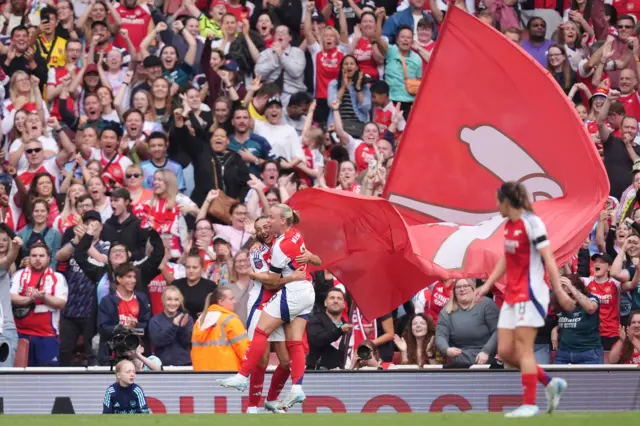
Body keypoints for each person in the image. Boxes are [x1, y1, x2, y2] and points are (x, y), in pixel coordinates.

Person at [475, 181, 571, 417]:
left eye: (498, 202)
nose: (496, 207)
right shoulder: (508, 226)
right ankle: (550, 383)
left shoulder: (532, 223)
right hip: (511, 295)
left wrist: (558, 290)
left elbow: (549, 258)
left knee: (523, 349)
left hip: (531, 294)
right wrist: (487, 284)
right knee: (506, 352)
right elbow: (506, 259)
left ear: (506, 202)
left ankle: (529, 404)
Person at [217, 204, 320, 409]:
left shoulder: (281, 243)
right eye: (261, 227)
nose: (265, 228)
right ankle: (253, 405)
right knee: (262, 359)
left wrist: (309, 257)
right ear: (257, 232)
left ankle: (271, 399)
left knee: (285, 361)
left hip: (285, 301)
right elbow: (269, 282)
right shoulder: (258, 252)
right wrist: (289, 277)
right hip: (263, 302)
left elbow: (316, 260)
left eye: (268, 223)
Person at [10, 242, 68, 366]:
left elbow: (62, 303)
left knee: (47, 378)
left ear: (48, 258)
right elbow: (11, 297)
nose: (37, 259)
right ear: (29, 257)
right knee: (19, 377)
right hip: (21, 334)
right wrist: (30, 299)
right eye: (34, 255)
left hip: (47, 335)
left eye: (41, 256)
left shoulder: (58, 277)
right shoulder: (19, 275)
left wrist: (44, 297)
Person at [435, 279, 499, 368]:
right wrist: (447, 349)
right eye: (458, 287)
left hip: (485, 360)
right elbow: (440, 335)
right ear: (454, 292)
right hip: (459, 362)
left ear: (473, 288)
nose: (462, 289)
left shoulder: (486, 304)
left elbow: (498, 331)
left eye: (465, 286)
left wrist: (486, 351)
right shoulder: (446, 312)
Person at [191, 287, 249, 371]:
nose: (234, 301)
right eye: (231, 299)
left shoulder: (200, 321)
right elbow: (244, 351)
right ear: (221, 302)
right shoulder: (231, 320)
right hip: (227, 374)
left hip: (202, 376)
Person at [307, 287, 352, 370]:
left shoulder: (347, 327)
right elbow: (317, 339)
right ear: (325, 303)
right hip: (318, 373)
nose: (335, 301)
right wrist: (339, 331)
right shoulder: (316, 319)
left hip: (342, 374)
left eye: (339, 299)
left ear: (344, 304)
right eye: (332, 298)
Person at [148, 286, 193, 366]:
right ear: (163, 301)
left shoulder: (187, 319)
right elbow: (158, 341)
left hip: (185, 365)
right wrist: (174, 326)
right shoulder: (155, 320)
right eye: (169, 299)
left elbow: (186, 342)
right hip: (163, 365)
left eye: (176, 300)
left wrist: (182, 328)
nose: (173, 303)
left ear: (180, 302)